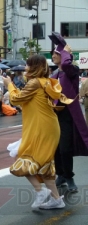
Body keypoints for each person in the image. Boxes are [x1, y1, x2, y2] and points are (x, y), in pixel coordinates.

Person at [3, 54, 68, 209]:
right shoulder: (45, 82)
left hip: (41, 128)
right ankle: (57, 200)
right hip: (48, 126)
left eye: (27, 65)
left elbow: (15, 99)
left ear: (34, 67)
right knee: (44, 164)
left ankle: (40, 191)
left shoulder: (34, 83)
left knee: (22, 158)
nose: (25, 68)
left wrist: (9, 85)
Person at [51, 43, 88, 192]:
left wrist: (66, 52)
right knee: (55, 147)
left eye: (56, 53)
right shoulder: (54, 75)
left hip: (67, 114)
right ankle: (60, 174)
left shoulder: (72, 71)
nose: (53, 56)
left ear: (64, 56)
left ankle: (69, 176)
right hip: (54, 114)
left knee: (65, 148)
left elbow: (67, 65)